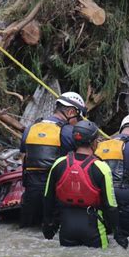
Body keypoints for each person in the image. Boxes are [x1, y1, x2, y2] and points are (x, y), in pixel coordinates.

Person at [42, 120, 128, 249]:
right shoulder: (101, 167)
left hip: (66, 227)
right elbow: (111, 205)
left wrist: (48, 224)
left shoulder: (58, 163)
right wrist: (118, 233)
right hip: (92, 226)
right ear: (94, 142)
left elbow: (47, 197)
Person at [19, 92, 87, 228]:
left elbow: (23, 158)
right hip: (56, 197)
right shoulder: (70, 133)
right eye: (78, 117)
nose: (78, 122)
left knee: (29, 231)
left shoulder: (30, 129)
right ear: (71, 111)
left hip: (30, 195)